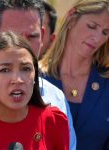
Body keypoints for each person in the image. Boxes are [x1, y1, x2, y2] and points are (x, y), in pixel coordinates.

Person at [0, 0, 76, 149]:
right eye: (11, 36)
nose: (17, 79)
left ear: (43, 36)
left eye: (32, 36)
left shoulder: (55, 106)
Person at [39, 0, 109, 149]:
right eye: (92, 26)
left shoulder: (106, 82)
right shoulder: (35, 77)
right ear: (71, 17)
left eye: (105, 32)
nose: (97, 38)